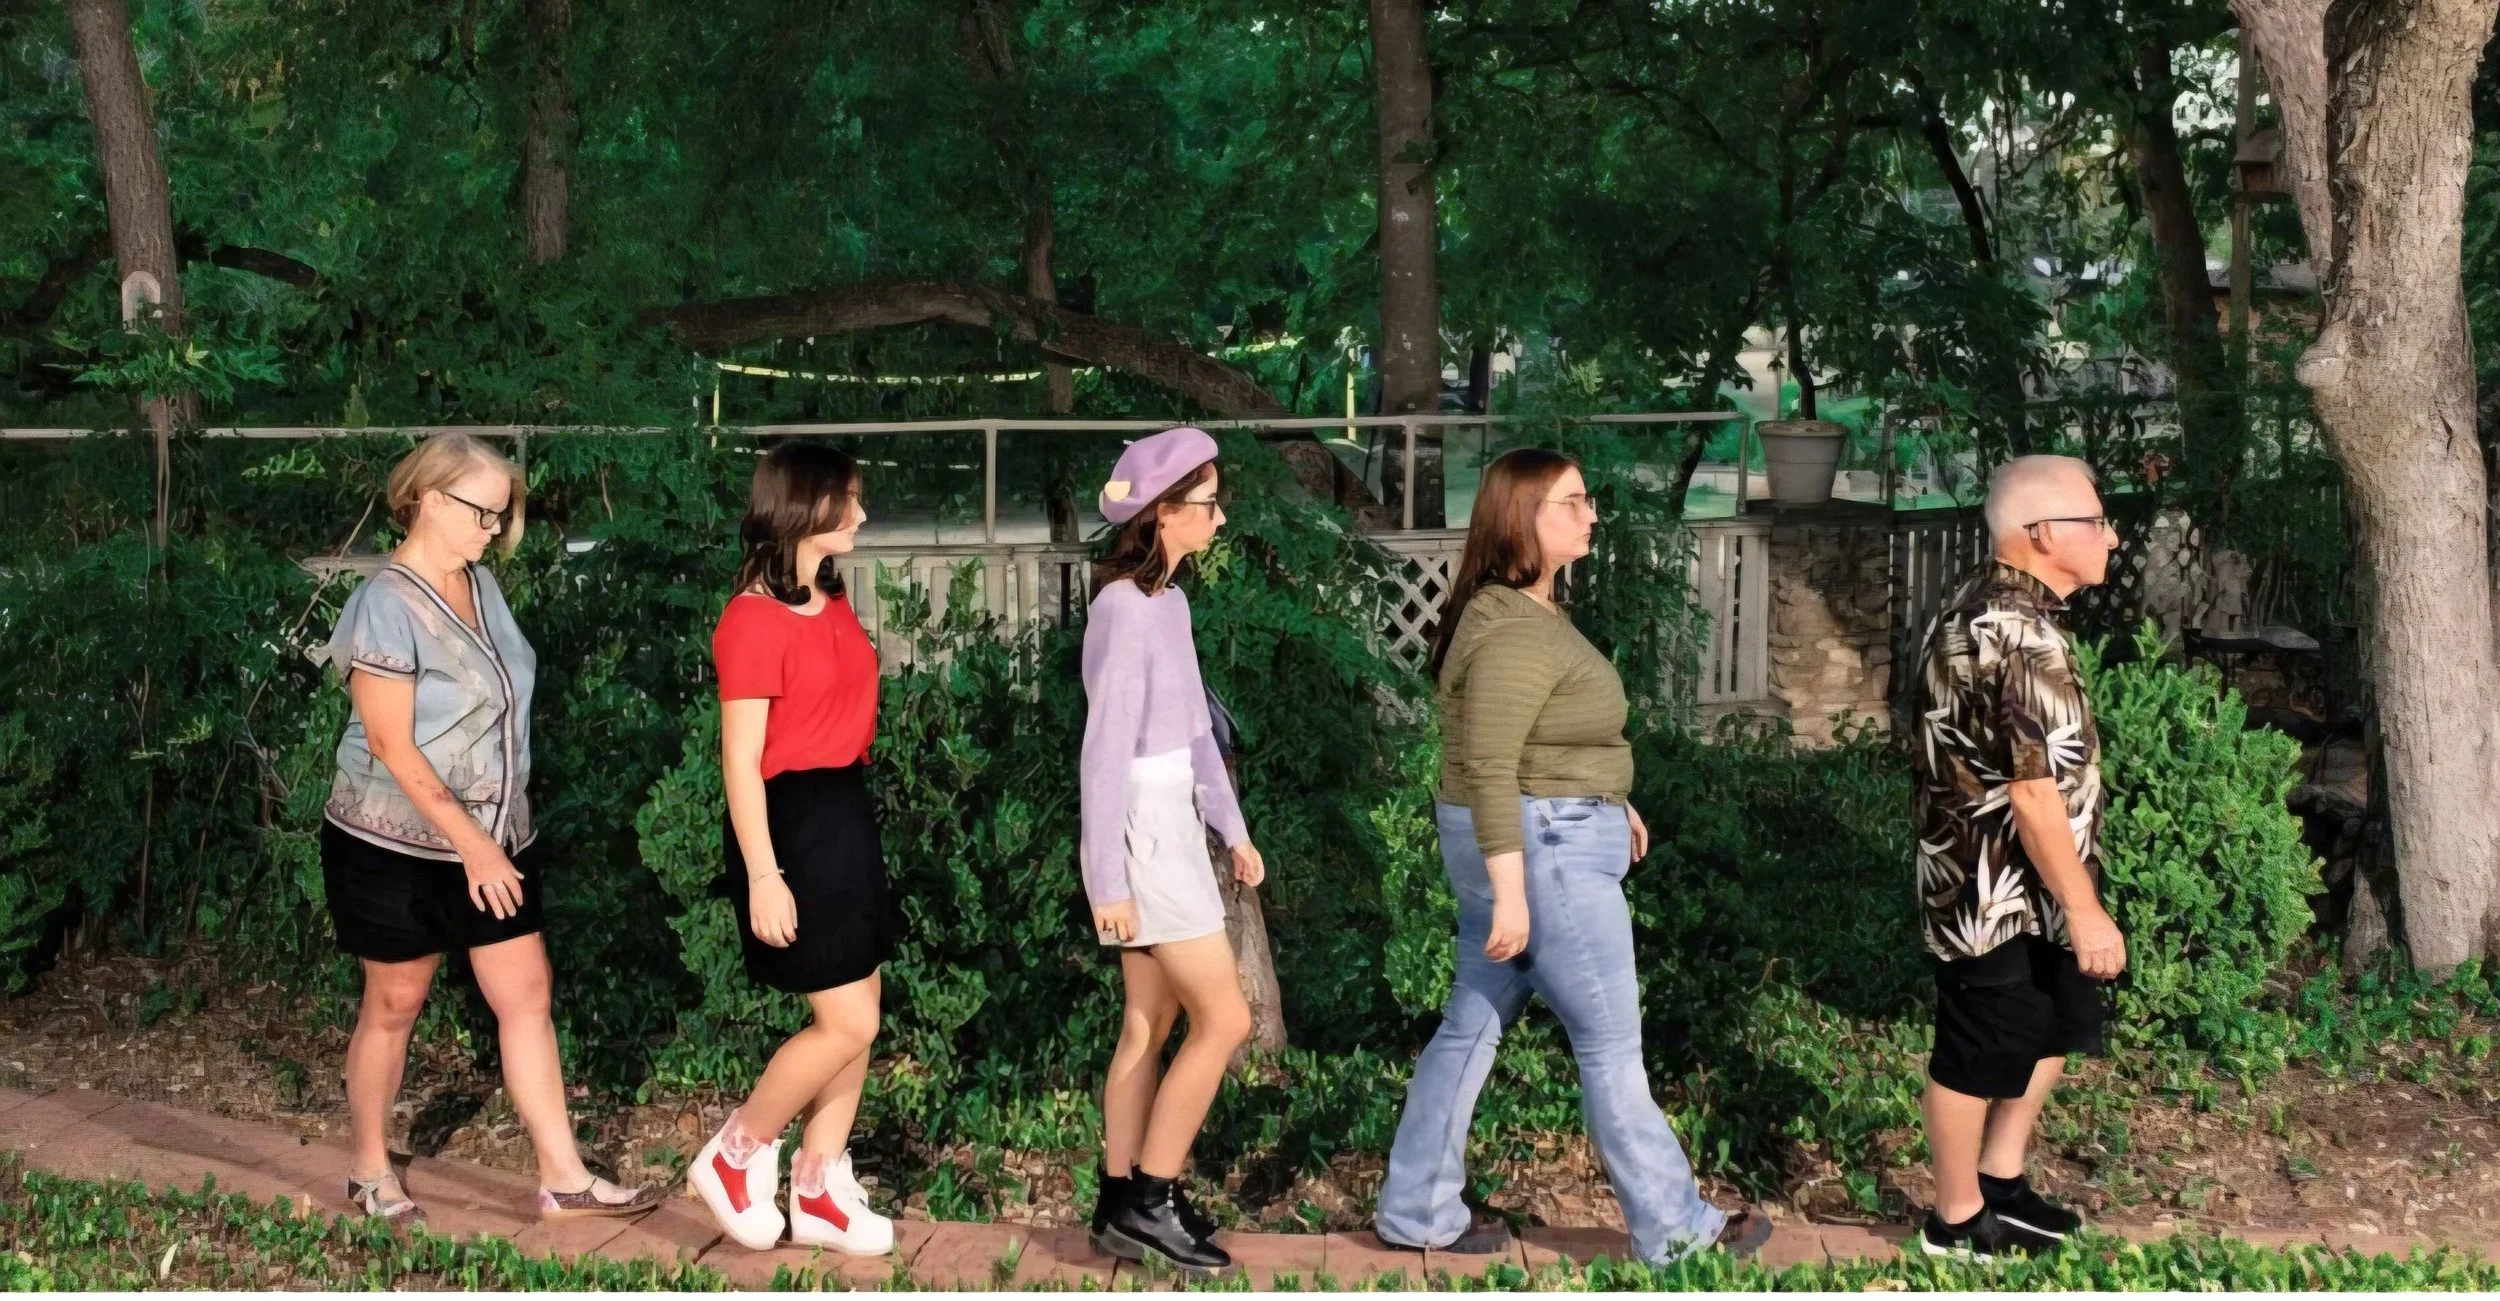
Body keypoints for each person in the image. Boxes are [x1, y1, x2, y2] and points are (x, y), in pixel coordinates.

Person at [1372, 447, 1771, 1265]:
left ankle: (1416, 1206)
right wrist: (1515, 893)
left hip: (1538, 835)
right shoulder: (1513, 629)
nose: (1591, 514)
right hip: (1539, 853)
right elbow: (1489, 763)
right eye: (1573, 501)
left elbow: (1540, 738)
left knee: (1470, 1025)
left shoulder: (1520, 611)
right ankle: (1677, 1230)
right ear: (1522, 518)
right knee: (1610, 1044)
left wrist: (1611, 796)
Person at [317, 432, 662, 1227]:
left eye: (502, 515)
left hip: (496, 835)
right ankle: (369, 1167)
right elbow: (391, 744)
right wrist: (472, 846)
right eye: (482, 512)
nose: (495, 528)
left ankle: (563, 1176)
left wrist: (491, 836)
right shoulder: (383, 604)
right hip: (394, 843)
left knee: (526, 991)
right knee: (395, 1000)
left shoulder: (481, 585)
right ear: (428, 499)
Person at [1910, 453, 2124, 1260]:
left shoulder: (2007, 610)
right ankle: (1956, 1217)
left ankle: (1999, 1179)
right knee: (1978, 1049)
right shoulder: (2012, 630)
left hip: (2037, 880)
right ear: (2040, 533)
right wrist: (2085, 910)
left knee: (2049, 1025)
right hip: (1989, 888)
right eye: (2095, 521)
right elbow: (2032, 794)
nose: (2111, 536)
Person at [686, 443, 898, 1255]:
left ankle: (817, 1187)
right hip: (791, 821)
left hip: (844, 805)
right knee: (846, 1020)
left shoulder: (828, 597)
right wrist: (764, 874)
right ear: (806, 505)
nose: (862, 513)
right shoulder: (749, 618)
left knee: (862, 1011)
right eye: (850, 498)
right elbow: (739, 760)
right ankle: (737, 1151)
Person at [1077, 426, 1265, 1278]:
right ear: (1162, 512)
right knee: (1226, 1020)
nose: (1219, 518)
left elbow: (1195, 734)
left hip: (1175, 825)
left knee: (1147, 1024)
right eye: (1208, 503)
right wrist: (1106, 879)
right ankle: (1153, 1198)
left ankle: (1119, 1201)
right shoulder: (1122, 608)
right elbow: (1104, 751)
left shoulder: (1171, 604)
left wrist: (1233, 829)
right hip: (1144, 833)